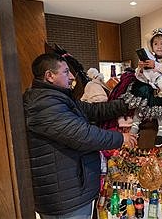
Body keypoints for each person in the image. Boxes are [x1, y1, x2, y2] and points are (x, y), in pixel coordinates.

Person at [23, 53, 138, 219]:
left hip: (71, 190)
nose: (71, 77)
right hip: (65, 198)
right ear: (49, 76)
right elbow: (83, 135)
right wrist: (121, 138)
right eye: (66, 72)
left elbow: (95, 111)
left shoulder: (59, 97)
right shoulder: (44, 104)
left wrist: (128, 103)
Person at [120, 27, 162, 147]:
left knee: (159, 99)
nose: (159, 46)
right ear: (152, 46)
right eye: (155, 44)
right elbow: (143, 77)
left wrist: (156, 65)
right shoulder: (151, 57)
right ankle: (135, 124)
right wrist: (140, 68)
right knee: (141, 93)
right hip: (150, 85)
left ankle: (161, 127)